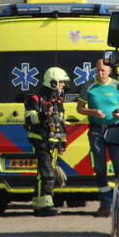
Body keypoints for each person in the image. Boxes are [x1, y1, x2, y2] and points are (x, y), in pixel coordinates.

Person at [77, 59, 119, 217]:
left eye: (102, 70)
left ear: (110, 71)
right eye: (97, 70)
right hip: (96, 130)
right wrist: (93, 112)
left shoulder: (117, 86)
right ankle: (105, 204)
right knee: (100, 167)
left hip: (115, 129)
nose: (99, 73)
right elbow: (80, 109)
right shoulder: (88, 86)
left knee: (118, 165)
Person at [24, 67, 71, 217]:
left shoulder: (58, 100)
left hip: (54, 141)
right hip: (40, 140)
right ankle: (45, 205)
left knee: (44, 173)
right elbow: (28, 118)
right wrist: (43, 116)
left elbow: (61, 122)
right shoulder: (35, 99)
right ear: (52, 82)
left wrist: (63, 142)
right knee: (47, 173)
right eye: (61, 82)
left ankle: (39, 203)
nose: (63, 85)